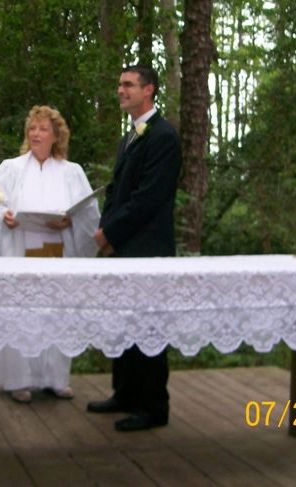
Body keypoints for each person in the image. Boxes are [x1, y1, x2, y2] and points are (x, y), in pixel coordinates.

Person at [0, 105, 100, 403]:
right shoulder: (11, 168)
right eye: (32, 128)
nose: (36, 133)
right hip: (20, 250)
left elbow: (89, 215)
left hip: (58, 251)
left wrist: (70, 220)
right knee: (22, 313)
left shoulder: (73, 173)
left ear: (56, 135)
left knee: (55, 312)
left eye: (43, 128)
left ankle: (55, 379)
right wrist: (3, 218)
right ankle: (19, 380)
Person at [86, 64, 182, 432]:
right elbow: (118, 192)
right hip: (124, 246)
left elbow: (148, 199)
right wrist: (105, 230)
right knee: (123, 324)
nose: (121, 90)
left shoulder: (163, 137)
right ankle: (124, 393)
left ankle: (154, 406)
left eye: (128, 84)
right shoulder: (129, 137)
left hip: (149, 248)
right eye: (119, 83)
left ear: (149, 90)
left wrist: (111, 232)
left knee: (149, 327)